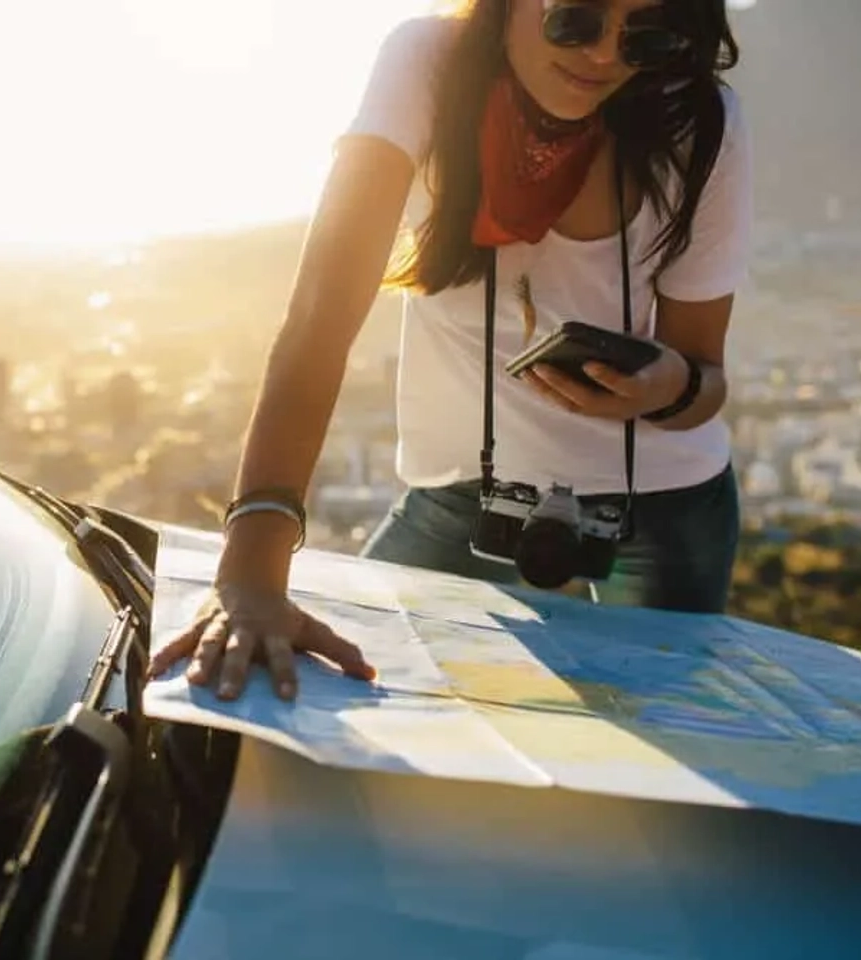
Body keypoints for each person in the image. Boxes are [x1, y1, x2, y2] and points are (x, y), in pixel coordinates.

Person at [148, 0, 752, 702]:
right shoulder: (429, 63)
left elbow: (704, 381)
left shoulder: (699, 120)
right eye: (576, 19)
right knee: (336, 693)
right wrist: (249, 573)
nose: (604, 55)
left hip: (661, 508)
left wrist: (668, 385)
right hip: (467, 489)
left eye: (646, 35)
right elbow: (321, 314)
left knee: (662, 738)